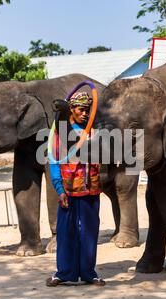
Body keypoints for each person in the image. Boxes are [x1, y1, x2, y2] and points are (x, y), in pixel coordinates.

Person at [46, 91, 105, 287]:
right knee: (66, 233)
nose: (85, 114)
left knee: (89, 232)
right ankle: (64, 272)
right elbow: (54, 163)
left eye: (88, 110)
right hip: (69, 192)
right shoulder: (60, 133)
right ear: (71, 109)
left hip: (90, 191)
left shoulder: (93, 130)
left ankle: (89, 272)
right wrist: (59, 189)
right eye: (81, 110)